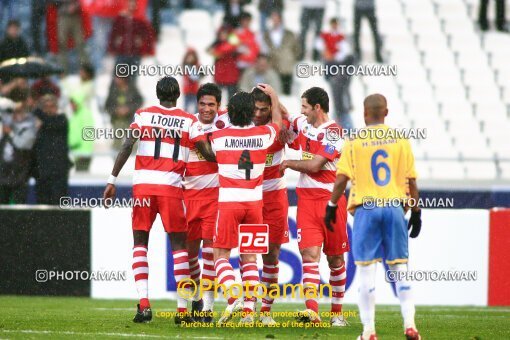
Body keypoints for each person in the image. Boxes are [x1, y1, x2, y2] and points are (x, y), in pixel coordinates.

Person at [102, 76, 216, 324]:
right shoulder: (189, 121)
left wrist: (112, 180)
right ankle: (182, 310)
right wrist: (232, 160)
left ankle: (144, 305)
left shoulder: (143, 115)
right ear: (178, 95)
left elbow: (127, 145)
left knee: (140, 243)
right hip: (171, 188)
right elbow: (207, 154)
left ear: (157, 94)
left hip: (143, 188)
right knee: (179, 248)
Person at [325, 94, 422, 340]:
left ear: (365, 113)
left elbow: (341, 178)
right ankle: (410, 326)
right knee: (400, 269)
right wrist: (417, 211)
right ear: (386, 112)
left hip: (366, 208)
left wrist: (331, 205)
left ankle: (369, 331)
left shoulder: (355, 141)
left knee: (367, 272)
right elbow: (411, 181)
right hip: (393, 207)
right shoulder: (400, 140)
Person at [210, 85, 283, 325]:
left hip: (229, 201)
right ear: (252, 112)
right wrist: (273, 96)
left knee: (220, 254)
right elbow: (278, 123)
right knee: (250, 257)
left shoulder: (218, 137)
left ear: (230, 112)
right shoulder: (263, 135)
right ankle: (249, 312)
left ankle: (233, 296)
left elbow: (214, 136)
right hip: (254, 203)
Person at [279, 87, 348, 326]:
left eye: (306, 107)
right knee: (309, 255)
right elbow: (287, 115)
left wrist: (288, 162)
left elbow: (316, 165)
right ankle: (313, 312)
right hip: (307, 201)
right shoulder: (305, 124)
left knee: (336, 259)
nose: (302, 112)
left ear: (317, 108)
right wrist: (272, 96)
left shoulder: (335, 133)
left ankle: (337, 314)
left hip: (331, 202)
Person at [183, 83, 230, 323]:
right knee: (190, 256)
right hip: (188, 198)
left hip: (215, 198)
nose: (206, 109)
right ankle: (196, 298)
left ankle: (208, 309)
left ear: (219, 106)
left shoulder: (227, 123)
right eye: (202, 104)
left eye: (211, 104)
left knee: (210, 253)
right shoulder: (189, 124)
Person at [250, 87, 289, 325]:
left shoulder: (280, 125)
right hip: (251, 197)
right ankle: (248, 307)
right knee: (250, 254)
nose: (258, 114)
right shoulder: (242, 127)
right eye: (255, 108)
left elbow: (288, 118)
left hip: (275, 196)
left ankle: (266, 311)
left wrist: (275, 97)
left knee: (272, 255)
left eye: (265, 110)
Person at [32, 94, 72, 205]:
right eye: (46, 107)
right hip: (42, 173)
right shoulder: (39, 125)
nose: (49, 109)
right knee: (42, 205)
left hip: (58, 173)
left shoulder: (61, 120)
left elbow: (52, 124)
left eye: (52, 106)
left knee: (57, 205)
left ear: (56, 107)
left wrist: (37, 111)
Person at [317, 18, 355, 129]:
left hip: (335, 66)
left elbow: (344, 52)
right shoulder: (326, 36)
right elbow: (321, 47)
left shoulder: (340, 38)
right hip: (332, 66)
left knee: (341, 107)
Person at [0, 95, 37, 204]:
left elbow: (22, 144)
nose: (14, 115)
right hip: (3, 177)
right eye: (13, 113)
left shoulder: (29, 128)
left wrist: (10, 133)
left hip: (19, 177)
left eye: (18, 112)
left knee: (18, 209)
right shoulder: (5, 128)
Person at [108, 0, 155, 77]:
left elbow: (148, 35)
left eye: (133, 3)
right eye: (129, 3)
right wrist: (112, 47)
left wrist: (145, 46)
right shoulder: (120, 18)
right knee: (119, 77)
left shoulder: (140, 19)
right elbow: (114, 33)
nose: (131, 5)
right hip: (122, 52)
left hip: (135, 53)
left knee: (132, 78)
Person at [261, 11, 300, 95]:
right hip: (272, 66)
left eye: (276, 19)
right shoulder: (267, 34)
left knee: (286, 93)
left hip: (286, 66)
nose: (274, 21)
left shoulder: (289, 34)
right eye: (273, 19)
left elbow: (296, 49)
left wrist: (290, 58)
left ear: (281, 20)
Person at [105, 75, 143, 151]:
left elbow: (139, 101)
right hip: (117, 121)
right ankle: (117, 159)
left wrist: (128, 109)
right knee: (117, 143)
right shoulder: (113, 90)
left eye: (118, 78)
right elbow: (107, 105)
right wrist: (116, 110)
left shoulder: (132, 89)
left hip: (130, 120)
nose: (116, 80)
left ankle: (132, 158)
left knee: (132, 142)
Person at [68, 63, 95, 171]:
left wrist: (85, 151)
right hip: (76, 151)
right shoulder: (76, 115)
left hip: (83, 153)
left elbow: (87, 134)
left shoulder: (85, 115)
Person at [53, 0, 90, 74]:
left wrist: (75, 5)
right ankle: (62, 71)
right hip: (62, 15)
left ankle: (86, 71)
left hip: (76, 16)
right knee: (62, 44)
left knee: (80, 44)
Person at [208, 25, 240, 101]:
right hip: (220, 75)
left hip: (230, 76)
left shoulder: (231, 45)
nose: (223, 35)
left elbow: (224, 50)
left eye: (225, 33)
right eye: (221, 33)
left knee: (231, 100)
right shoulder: (217, 45)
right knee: (216, 99)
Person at [181, 48, 202, 115]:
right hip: (187, 91)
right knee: (186, 108)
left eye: (191, 56)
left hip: (195, 91)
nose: (190, 58)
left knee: (196, 108)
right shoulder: (185, 66)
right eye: (188, 57)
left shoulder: (197, 66)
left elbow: (198, 76)